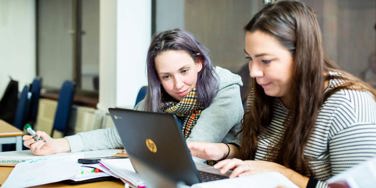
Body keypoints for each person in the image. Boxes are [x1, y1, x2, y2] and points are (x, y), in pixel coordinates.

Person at [188, 1, 376, 188]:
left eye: (266, 61)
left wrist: (280, 173)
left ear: (303, 55)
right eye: (250, 59)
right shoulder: (264, 91)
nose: (254, 72)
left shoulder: (349, 106)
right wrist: (226, 151)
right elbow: (258, 158)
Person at [24, 28, 244, 155]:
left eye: (184, 71)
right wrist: (58, 144)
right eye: (166, 76)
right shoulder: (162, 94)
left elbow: (194, 150)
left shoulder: (225, 88)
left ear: (199, 63)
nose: (178, 84)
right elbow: (116, 135)